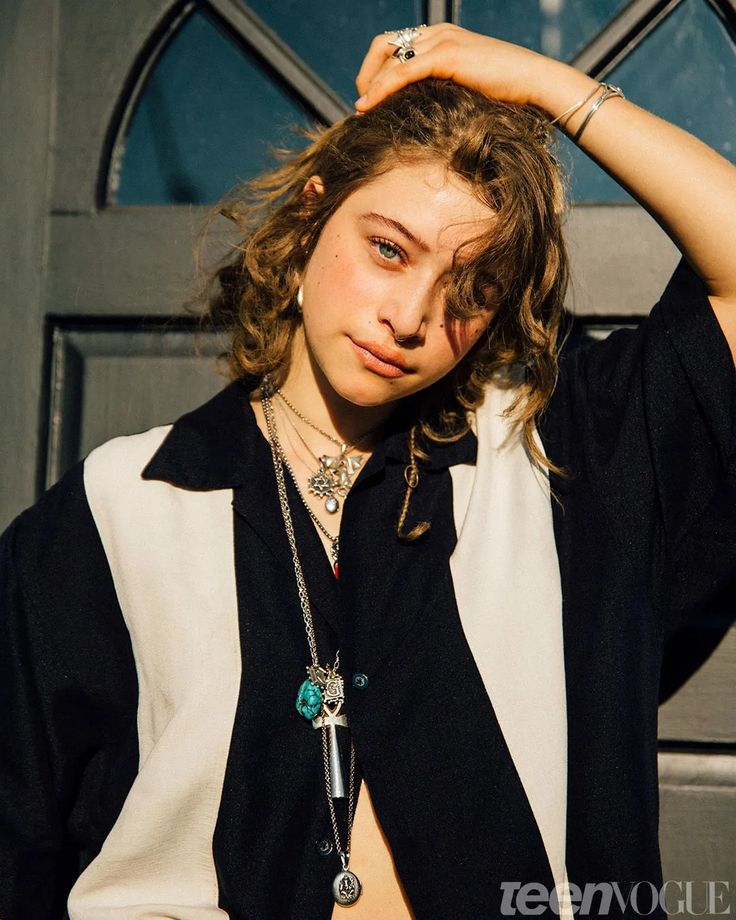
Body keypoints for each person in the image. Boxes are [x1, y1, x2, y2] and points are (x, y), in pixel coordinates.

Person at [1, 21, 735, 920]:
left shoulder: (554, 457)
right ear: (313, 217)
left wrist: (541, 85)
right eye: (390, 249)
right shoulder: (121, 505)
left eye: (470, 290)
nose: (412, 317)